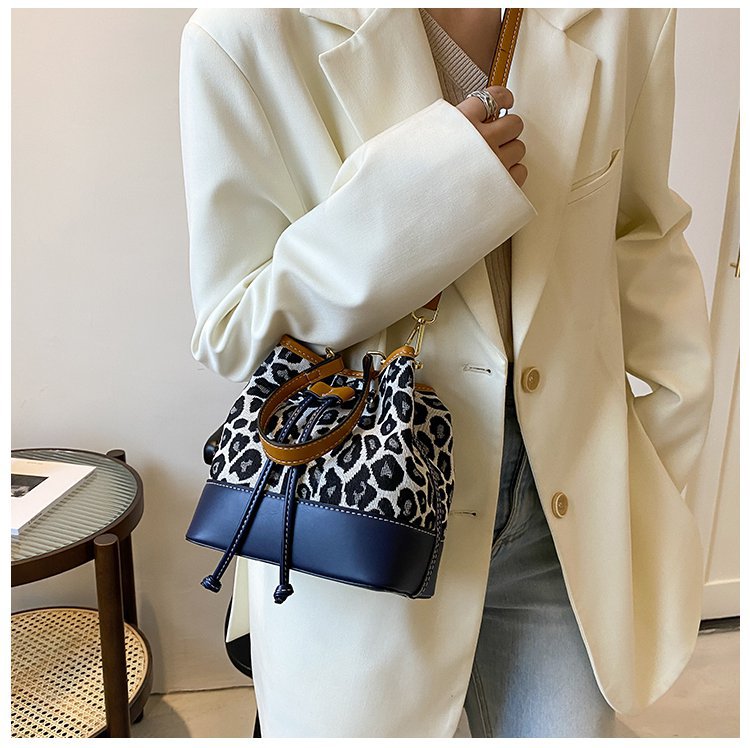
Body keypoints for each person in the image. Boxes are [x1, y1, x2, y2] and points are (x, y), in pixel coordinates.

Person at [178, 7, 713, 738]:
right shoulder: (245, 34)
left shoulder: (629, 17)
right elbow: (232, 330)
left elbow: (644, 238)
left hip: (564, 517)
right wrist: (421, 201)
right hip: (360, 505)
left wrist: (662, 455)